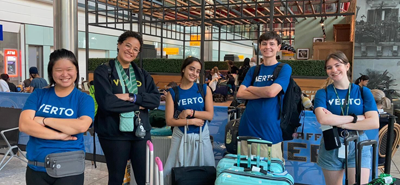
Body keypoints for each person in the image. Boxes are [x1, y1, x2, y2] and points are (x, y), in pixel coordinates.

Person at [19, 49, 95, 185]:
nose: (64, 74)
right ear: (51, 72)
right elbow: (25, 125)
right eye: (59, 70)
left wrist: (44, 120)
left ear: (76, 71)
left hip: (70, 169)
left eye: (69, 69)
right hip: (36, 167)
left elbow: (81, 125)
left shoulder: (84, 99)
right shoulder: (38, 95)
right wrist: (59, 135)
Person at [93, 31, 160, 185]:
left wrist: (131, 97)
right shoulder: (104, 71)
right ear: (119, 45)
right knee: (117, 178)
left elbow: (155, 100)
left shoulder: (142, 74)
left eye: (135, 49)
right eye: (128, 45)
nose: (131, 51)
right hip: (113, 133)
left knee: (144, 178)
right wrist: (141, 104)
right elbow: (107, 103)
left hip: (140, 133)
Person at [313, 51, 379, 185]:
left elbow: (374, 122)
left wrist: (340, 123)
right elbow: (323, 119)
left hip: (358, 142)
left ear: (347, 66)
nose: (334, 70)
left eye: (338, 65)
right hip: (331, 142)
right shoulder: (323, 93)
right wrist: (356, 118)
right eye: (329, 67)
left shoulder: (362, 91)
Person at [236, 31, 292, 160]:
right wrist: (265, 92)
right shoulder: (253, 70)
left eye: (272, 44)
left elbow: (272, 92)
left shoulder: (284, 68)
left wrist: (250, 88)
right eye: (264, 44)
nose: (268, 47)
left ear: (278, 47)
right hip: (247, 127)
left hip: (270, 130)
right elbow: (240, 93)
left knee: (270, 175)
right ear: (260, 47)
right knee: (247, 174)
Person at [163, 57, 214, 185]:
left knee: (206, 170)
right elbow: (169, 121)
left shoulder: (204, 89)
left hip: (202, 136)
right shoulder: (173, 92)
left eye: (198, 71)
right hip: (180, 136)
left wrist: (190, 113)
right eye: (191, 69)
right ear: (183, 69)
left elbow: (210, 115)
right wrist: (191, 122)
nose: (194, 74)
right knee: (177, 171)